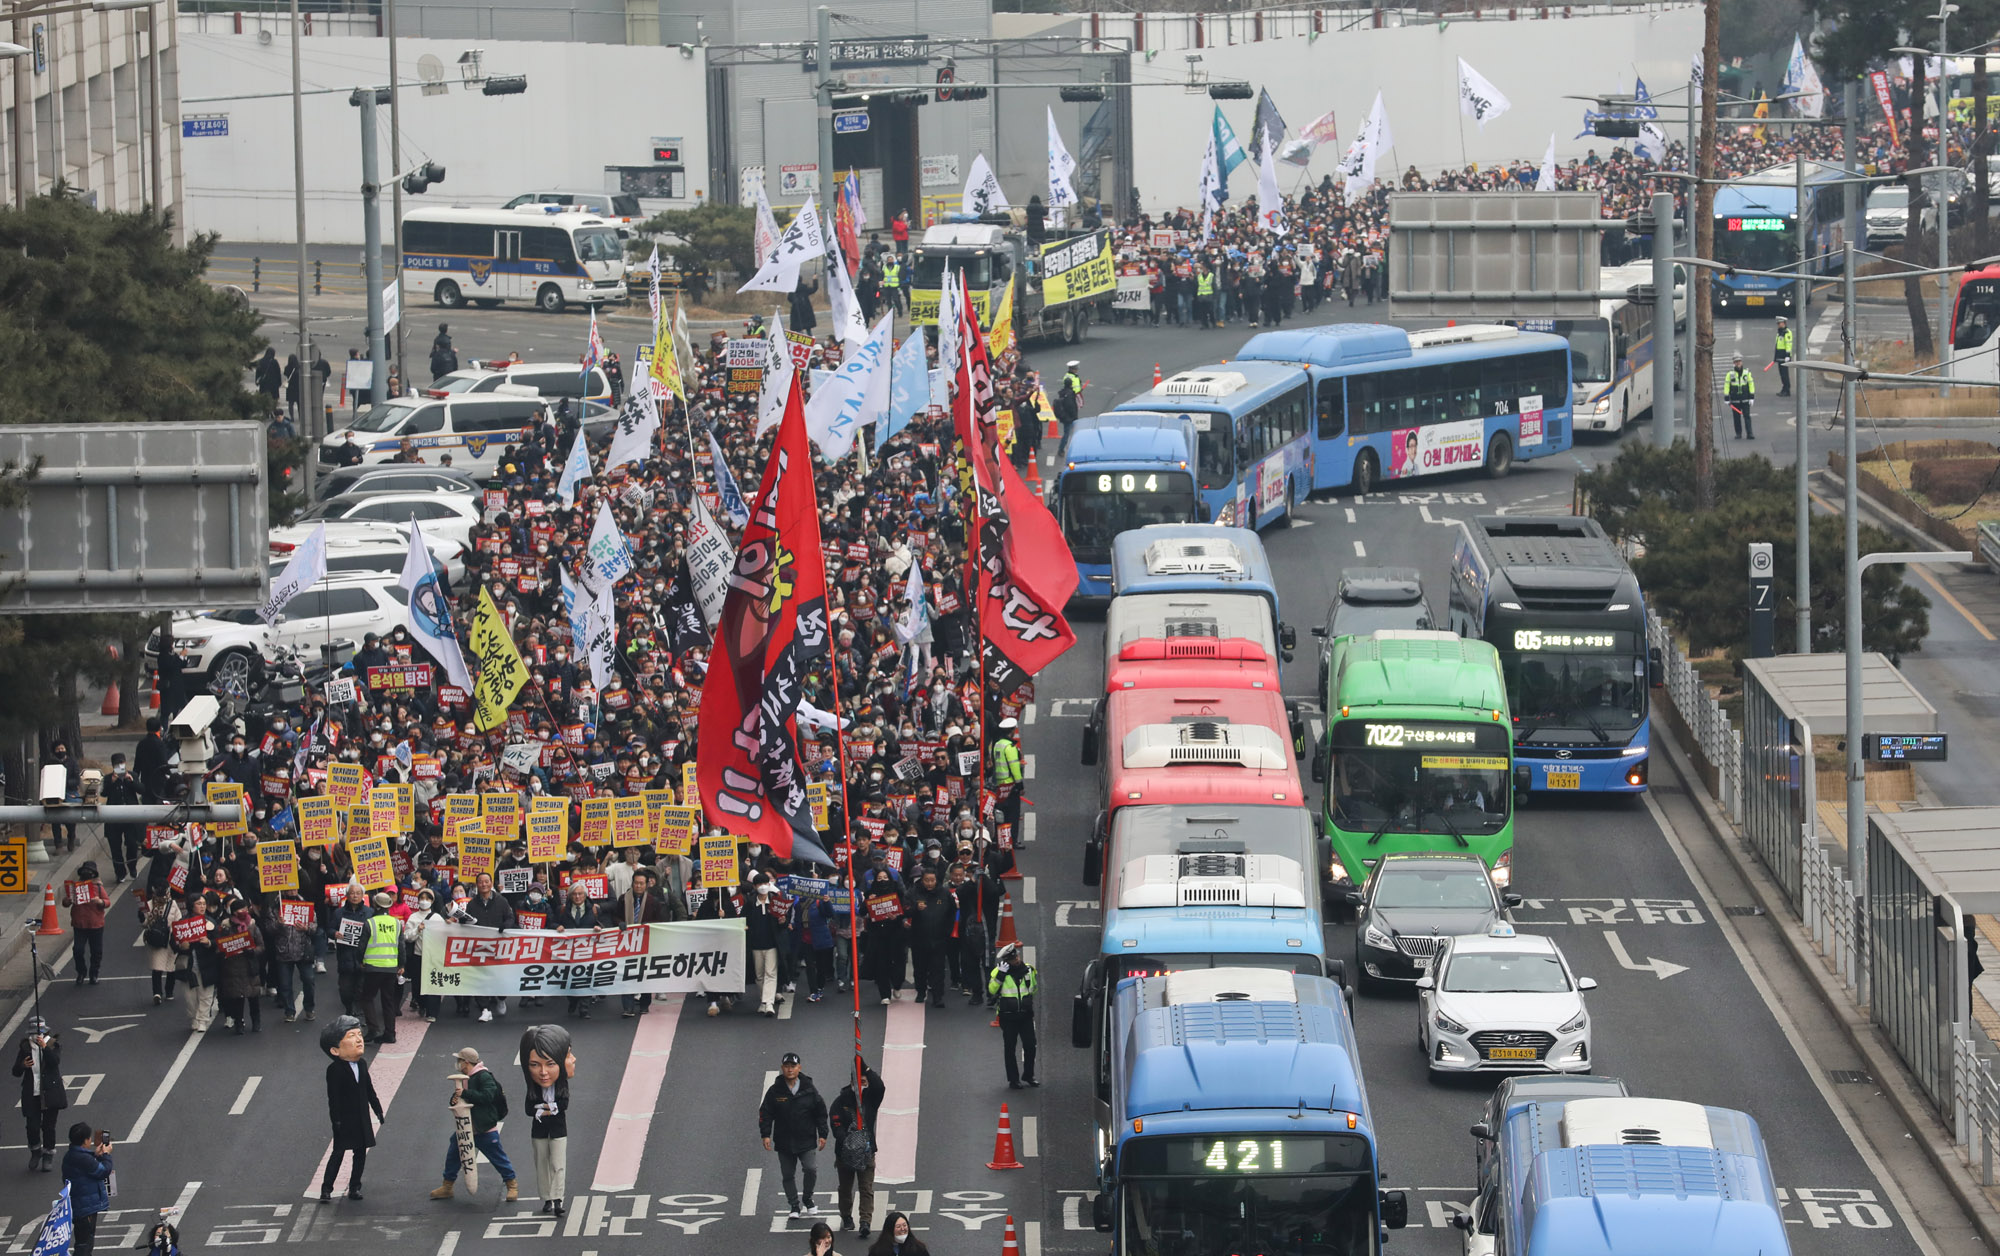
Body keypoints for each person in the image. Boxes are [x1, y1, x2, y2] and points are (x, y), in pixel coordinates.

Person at [431, 1046, 519, 1202]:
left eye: (459, 1061)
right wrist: (456, 1098)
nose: (458, 1064)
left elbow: (488, 1096)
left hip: (483, 1127)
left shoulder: (483, 1076)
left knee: (497, 1157)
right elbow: (462, 1098)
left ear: (466, 1062)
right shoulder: (467, 1077)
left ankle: (512, 1185)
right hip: (465, 1127)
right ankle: (447, 1186)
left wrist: (465, 1094)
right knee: (454, 1153)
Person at [758, 1050, 829, 1220]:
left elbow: (820, 1112)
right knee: (788, 1174)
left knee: (810, 1169)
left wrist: (823, 1134)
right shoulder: (775, 1090)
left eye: (793, 1066)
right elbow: (765, 1112)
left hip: (806, 1139)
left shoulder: (809, 1089)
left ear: (799, 1068)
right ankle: (794, 1205)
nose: (790, 1069)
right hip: (784, 1141)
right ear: (782, 1068)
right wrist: (765, 1134)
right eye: (787, 1066)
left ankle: (807, 1198)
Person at [320, 1015, 383, 1202]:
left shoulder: (362, 1065)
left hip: (362, 1118)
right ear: (335, 1050)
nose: (359, 1039)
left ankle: (355, 1187)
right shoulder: (334, 1070)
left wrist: (377, 1109)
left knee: (360, 1155)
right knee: (338, 1153)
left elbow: (369, 1090)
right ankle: (326, 1189)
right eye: (351, 1036)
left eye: (359, 1034)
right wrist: (336, 1120)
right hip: (344, 1120)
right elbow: (334, 1098)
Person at [521, 1024, 576, 1216]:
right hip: (539, 1132)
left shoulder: (562, 1086)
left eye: (550, 1064)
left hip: (559, 1130)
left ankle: (558, 1199)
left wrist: (546, 1108)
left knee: (558, 1164)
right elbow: (529, 1109)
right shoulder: (533, 1089)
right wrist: (547, 1108)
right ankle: (546, 1198)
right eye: (535, 1065)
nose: (543, 1072)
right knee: (542, 1164)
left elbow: (563, 1104)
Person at [829, 1059, 884, 1237]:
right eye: (858, 1082)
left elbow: (880, 1087)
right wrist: (848, 1142)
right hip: (845, 1153)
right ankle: (846, 1217)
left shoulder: (871, 1099)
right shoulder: (841, 1101)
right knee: (845, 1188)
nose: (861, 1086)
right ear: (851, 1083)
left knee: (866, 1188)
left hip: (867, 1152)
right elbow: (835, 1124)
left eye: (864, 1082)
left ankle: (865, 1221)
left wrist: (865, 1068)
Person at [11, 1019, 63, 1171]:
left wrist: (45, 1047)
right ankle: (35, 1151)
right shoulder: (25, 1047)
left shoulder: (53, 1044)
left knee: (48, 1126)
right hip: (31, 1092)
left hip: (50, 1092)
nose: (36, 1036)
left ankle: (48, 1155)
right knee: (32, 1126)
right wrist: (22, 1066)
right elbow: (15, 1071)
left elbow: (55, 1062)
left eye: (39, 1033)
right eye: (33, 1034)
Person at [987, 941, 1039, 1089]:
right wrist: (1001, 976)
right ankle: (1013, 1080)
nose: (1016, 960)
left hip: (1025, 1016)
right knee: (1010, 1048)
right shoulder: (998, 973)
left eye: (1016, 957)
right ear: (1006, 961)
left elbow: (1034, 989)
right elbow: (991, 990)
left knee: (1030, 1046)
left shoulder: (1029, 970)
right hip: (1008, 1017)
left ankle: (1029, 1075)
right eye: (1012, 959)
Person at [61, 1123, 114, 1256]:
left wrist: (95, 1155)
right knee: (85, 1244)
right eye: (89, 1138)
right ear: (85, 1140)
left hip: (80, 1204)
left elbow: (87, 1166)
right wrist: (106, 1155)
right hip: (85, 1207)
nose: (90, 1141)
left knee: (84, 1242)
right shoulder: (82, 1158)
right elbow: (103, 1171)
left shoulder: (72, 1155)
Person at [361, 890, 403, 1043]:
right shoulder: (396, 923)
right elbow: (401, 946)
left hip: (373, 967)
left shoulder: (370, 922)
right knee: (388, 1001)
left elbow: (362, 945)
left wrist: (360, 961)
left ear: (374, 905)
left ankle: (373, 1029)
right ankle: (390, 1033)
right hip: (391, 967)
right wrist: (401, 964)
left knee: (367, 998)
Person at [62, 861, 107, 986]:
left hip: (96, 924)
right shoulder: (75, 887)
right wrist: (68, 900)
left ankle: (94, 974)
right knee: (78, 950)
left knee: (96, 951)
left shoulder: (98, 887)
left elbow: (107, 901)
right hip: (79, 925)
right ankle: (81, 972)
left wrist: (100, 901)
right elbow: (65, 903)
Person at [103, 754, 144, 883]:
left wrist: (131, 781)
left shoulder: (132, 775)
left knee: (132, 844)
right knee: (115, 847)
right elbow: (103, 793)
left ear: (125, 763)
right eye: (116, 765)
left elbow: (141, 790)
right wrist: (112, 782)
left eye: (121, 764)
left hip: (130, 816)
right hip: (114, 818)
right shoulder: (108, 778)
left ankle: (132, 867)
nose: (120, 767)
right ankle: (120, 873)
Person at [864, 1212, 929, 1256]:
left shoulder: (918, 1249)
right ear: (890, 1229)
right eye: (898, 1226)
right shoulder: (877, 1251)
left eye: (904, 1225)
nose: (902, 1229)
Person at [1725, 351, 1756, 439]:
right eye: (1736, 362)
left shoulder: (1747, 373)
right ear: (1733, 363)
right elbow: (1727, 385)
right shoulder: (1730, 374)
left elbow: (1751, 385)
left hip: (1745, 399)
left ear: (1741, 362)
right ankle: (1738, 433)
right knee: (1736, 418)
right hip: (1735, 400)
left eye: (1739, 361)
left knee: (1747, 416)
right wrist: (1726, 397)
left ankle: (1749, 433)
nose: (1738, 363)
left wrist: (1751, 397)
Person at [1052, 361, 1081, 438]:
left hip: (1074, 395)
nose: (1077, 370)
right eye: (1075, 368)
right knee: (1068, 430)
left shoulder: (1073, 376)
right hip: (1072, 396)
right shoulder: (1069, 377)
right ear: (1072, 369)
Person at [1772, 315, 1792, 397]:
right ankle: (1784, 388)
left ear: (1784, 323)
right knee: (1782, 374)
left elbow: (1788, 345)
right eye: (1778, 323)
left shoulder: (1787, 333)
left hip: (1784, 357)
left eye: (1780, 323)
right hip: (1779, 356)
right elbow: (1777, 345)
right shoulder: (1780, 332)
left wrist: (1787, 355)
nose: (1778, 325)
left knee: (1785, 374)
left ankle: (1787, 389)